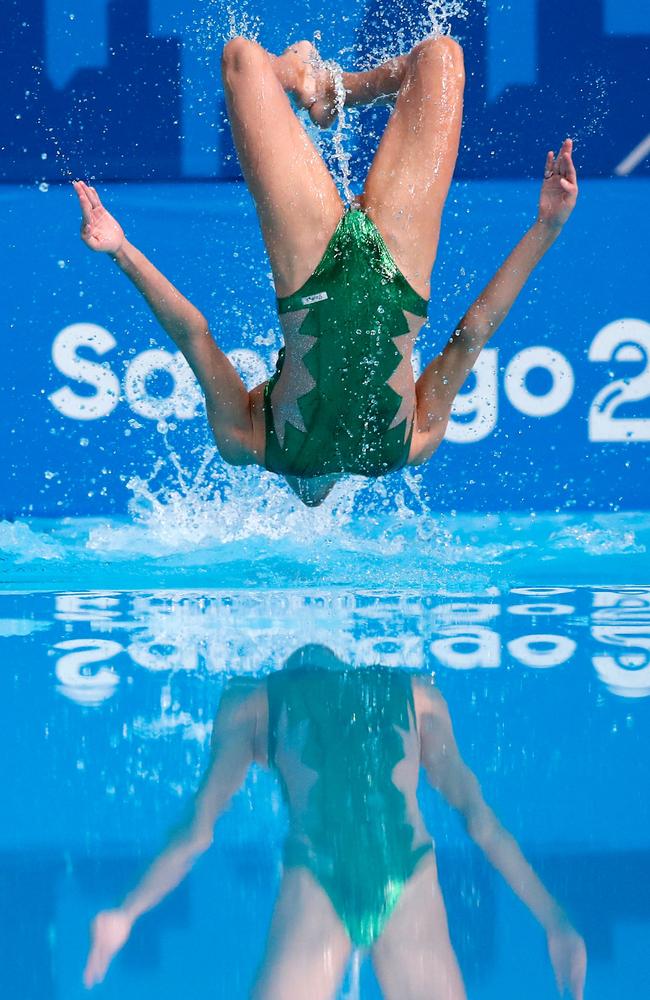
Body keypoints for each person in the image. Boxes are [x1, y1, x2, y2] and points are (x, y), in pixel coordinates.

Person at [73, 37, 578, 507]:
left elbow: (472, 335)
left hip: (337, 266)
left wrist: (546, 227)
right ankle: (333, 87)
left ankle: (310, 79)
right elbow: (193, 335)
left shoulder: (394, 445)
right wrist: (121, 250)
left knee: (436, 56)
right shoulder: (263, 442)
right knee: (250, 60)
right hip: (380, 262)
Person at [83, 645, 587, 999]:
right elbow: (481, 824)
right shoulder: (418, 694)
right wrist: (557, 922)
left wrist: (127, 911)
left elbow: (196, 831)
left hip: (315, 882)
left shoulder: (250, 703)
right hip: (409, 880)